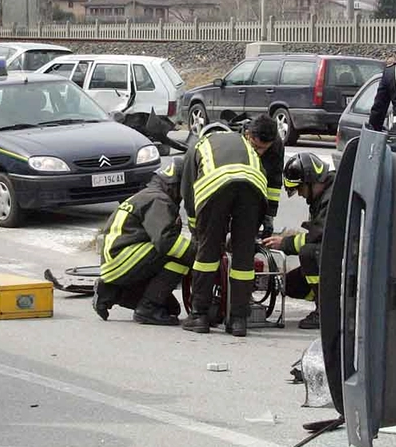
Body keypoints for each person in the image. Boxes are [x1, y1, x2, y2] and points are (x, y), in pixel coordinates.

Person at [179, 115, 276, 337]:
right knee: (243, 257)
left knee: (207, 254)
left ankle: (199, 316)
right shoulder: (244, 143)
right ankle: (239, 320)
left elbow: (189, 193)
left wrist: (197, 230)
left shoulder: (198, 145)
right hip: (253, 189)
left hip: (215, 187)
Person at [95, 159, 193, 326]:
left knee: (171, 309)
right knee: (179, 256)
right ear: (178, 183)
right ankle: (147, 309)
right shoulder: (159, 200)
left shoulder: (150, 194)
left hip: (119, 259)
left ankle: (113, 291)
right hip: (123, 259)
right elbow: (166, 242)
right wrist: (200, 254)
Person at [262, 153, 337, 330]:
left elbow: (320, 237)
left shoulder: (333, 197)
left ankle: (327, 311)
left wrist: (285, 243)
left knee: (309, 253)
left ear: (311, 181)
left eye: (301, 189)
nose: (301, 195)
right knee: (291, 285)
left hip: (346, 259)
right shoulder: (325, 193)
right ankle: (329, 299)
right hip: (336, 258)